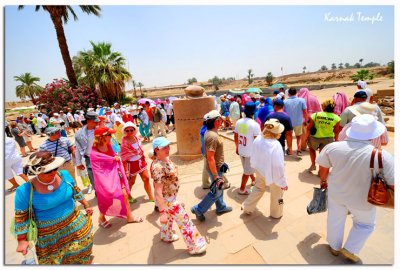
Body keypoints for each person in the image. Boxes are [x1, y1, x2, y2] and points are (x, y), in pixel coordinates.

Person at [316, 114, 394, 263]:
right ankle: (351, 249)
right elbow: (392, 184)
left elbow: (323, 170)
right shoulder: (383, 156)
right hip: (364, 199)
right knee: (365, 224)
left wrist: (323, 181)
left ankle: (334, 246)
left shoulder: (333, 147)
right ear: (374, 134)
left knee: (335, 219)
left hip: (337, 193)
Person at [13, 151, 93, 264]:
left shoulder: (64, 175)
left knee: (83, 251)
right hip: (49, 238)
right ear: (37, 171)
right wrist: (21, 240)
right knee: (55, 261)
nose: (54, 172)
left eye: (55, 168)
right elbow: (21, 218)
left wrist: (85, 204)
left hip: (75, 225)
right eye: (48, 171)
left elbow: (75, 190)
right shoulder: (25, 190)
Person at [151, 137, 207, 255]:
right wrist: (162, 212)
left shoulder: (165, 159)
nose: (168, 149)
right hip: (168, 200)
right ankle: (195, 245)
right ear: (156, 150)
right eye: (164, 147)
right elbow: (158, 191)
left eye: (168, 146)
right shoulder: (157, 167)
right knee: (185, 221)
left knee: (170, 218)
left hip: (171, 197)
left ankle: (166, 236)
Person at [90, 126, 143, 227]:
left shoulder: (109, 145)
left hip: (116, 175)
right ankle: (101, 217)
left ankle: (130, 217)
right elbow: (98, 169)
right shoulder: (94, 152)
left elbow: (113, 158)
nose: (111, 136)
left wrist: (115, 159)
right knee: (108, 198)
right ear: (102, 137)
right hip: (105, 179)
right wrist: (112, 160)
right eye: (109, 135)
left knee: (124, 194)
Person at [242, 119, 289, 218]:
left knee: (258, 188)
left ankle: (247, 207)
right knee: (277, 194)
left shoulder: (258, 139)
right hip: (272, 174)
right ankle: (276, 214)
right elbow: (278, 166)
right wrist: (282, 182)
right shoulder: (276, 145)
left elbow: (253, 154)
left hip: (259, 170)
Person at [191, 110, 233, 222]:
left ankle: (221, 207)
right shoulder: (212, 136)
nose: (221, 121)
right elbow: (210, 158)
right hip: (215, 169)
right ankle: (198, 209)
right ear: (216, 121)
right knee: (216, 192)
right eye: (220, 119)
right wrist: (216, 176)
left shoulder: (211, 132)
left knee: (219, 189)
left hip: (218, 166)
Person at [120, 122, 154, 203]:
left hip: (141, 162)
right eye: (127, 130)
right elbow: (124, 158)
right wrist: (126, 171)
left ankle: (151, 196)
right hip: (131, 165)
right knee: (131, 182)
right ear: (124, 131)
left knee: (146, 179)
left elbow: (140, 150)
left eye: (131, 130)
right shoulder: (124, 142)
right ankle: (128, 196)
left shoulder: (137, 138)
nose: (129, 132)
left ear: (134, 130)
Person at [234, 102, 261, 195]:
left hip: (241, 149)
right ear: (253, 112)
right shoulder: (255, 124)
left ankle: (253, 179)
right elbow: (257, 141)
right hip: (250, 152)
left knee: (247, 168)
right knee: (247, 171)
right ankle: (242, 189)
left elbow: (236, 135)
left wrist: (237, 147)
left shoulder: (239, 122)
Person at [307, 99, 341, 173]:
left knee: (312, 149)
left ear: (324, 107)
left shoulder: (315, 115)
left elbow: (309, 128)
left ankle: (313, 165)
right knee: (323, 155)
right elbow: (336, 131)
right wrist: (336, 139)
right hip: (328, 139)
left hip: (314, 137)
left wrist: (306, 137)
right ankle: (320, 171)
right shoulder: (336, 118)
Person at [75, 112, 100, 194]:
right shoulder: (79, 134)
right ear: (88, 120)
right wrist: (78, 163)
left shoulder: (100, 130)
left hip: (101, 157)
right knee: (92, 175)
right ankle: (98, 191)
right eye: (94, 121)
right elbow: (78, 149)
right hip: (89, 158)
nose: (97, 123)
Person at [283, 87, 308, 156]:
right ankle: (299, 150)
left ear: (288, 93)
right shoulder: (302, 100)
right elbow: (305, 112)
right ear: (296, 93)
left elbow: (283, 112)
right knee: (299, 137)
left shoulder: (285, 102)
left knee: (289, 136)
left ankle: (290, 150)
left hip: (288, 122)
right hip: (298, 121)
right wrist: (306, 120)